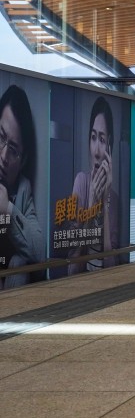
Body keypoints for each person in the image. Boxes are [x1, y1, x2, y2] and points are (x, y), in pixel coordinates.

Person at [68, 96, 120, 273]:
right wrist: (90, 207)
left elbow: (112, 270)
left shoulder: (116, 200)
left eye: (103, 140)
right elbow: (73, 269)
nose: (97, 151)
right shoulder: (81, 182)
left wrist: (104, 205)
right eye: (93, 137)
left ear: (109, 148)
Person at [0, 84, 45, 289]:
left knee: (21, 260)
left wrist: (7, 210)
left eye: (13, 149)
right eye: (0, 137)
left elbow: (39, 252)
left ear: (23, 160)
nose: (3, 157)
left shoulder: (22, 189)